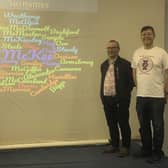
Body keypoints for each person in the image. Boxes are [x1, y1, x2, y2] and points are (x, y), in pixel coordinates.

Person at [132, 25, 168, 163]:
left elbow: (167, 72)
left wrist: (166, 90)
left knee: (158, 125)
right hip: (141, 96)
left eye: (149, 34)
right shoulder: (137, 52)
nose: (146, 36)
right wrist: (138, 86)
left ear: (154, 36)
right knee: (144, 125)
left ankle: (157, 152)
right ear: (141, 36)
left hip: (157, 96)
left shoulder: (161, 53)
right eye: (144, 34)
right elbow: (134, 71)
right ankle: (146, 149)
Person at [100, 40, 134, 157]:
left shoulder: (126, 64)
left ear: (118, 49)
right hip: (107, 99)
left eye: (113, 48)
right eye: (109, 48)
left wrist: (124, 95)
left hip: (121, 100)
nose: (111, 50)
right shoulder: (104, 65)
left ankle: (125, 146)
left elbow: (131, 82)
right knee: (111, 123)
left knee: (123, 123)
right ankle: (114, 144)